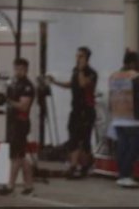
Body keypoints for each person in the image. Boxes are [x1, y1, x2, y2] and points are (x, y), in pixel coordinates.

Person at [46, 46, 98, 178]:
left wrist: (81, 70)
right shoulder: (75, 71)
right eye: (77, 56)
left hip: (86, 110)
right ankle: (73, 166)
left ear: (86, 58)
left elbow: (82, 84)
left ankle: (85, 165)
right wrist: (55, 82)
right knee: (73, 137)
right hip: (76, 109)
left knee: (84, 139)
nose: (78, 58)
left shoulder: (91, 73)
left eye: (81, 56)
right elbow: (72, 84)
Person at [0, 57, 36, 196]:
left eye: (21, 69)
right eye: (16, 68)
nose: (18, 71)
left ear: (26, 70)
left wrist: (7, 101)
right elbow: (7, 99)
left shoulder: (27, 86)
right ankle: (29, 185)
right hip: (12, 122)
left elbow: (24, 106)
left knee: (16, 157)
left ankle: (10, 185)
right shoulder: (12, 83)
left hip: (21, 123)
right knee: (20, 155)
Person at [106, 50, 139, 188]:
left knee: (122, 147)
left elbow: (110, 96)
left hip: (118, 117)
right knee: (133, 148)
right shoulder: (135, 77)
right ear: (132, 62)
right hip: (132, 117)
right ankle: (126, 174)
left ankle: (122, 175)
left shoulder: (114, 76)